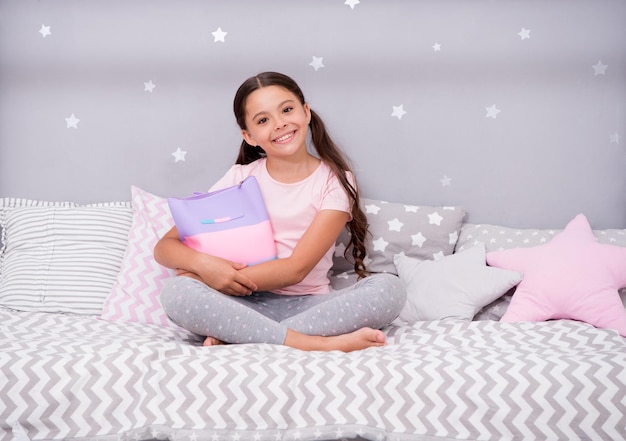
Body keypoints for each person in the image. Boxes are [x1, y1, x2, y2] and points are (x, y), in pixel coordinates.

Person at [154, 72, 406, 352]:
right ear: (249, 136)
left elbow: (296, 269)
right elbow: (165, 247)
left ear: (306, 112)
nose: (280, 123)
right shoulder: (239, 177)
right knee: (176, 292)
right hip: (239, 303)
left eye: (287, 109)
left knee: (388, 290)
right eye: (263, 120)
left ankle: (241, 333)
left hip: (309, 305)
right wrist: (206, 268)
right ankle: (309, 343)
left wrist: (223, 279)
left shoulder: (334, 181)